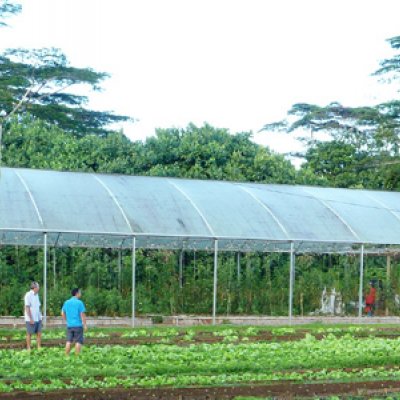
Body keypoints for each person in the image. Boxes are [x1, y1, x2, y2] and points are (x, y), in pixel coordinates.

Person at [61, 288, 87, 355]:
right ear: (77, 293)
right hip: (78, 325)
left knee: (68, 341)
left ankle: (66, 356)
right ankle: (76, 357)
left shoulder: (66, 302)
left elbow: (62, 313)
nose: (80, 294)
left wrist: (66, 320)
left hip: (69, 325)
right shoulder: (79, 302)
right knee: (78, 341)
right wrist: (84, 324)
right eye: (80, 293)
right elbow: (82, 314)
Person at [24, 281, 42, 351]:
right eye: (38, 287)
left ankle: (39, 347)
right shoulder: (28, 295)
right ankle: (28, 348)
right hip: (30, 319)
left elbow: (38, 306)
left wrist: (40, 316)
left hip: (38, 318)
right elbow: (27, 307)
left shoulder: (37, 295)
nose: (39, 288)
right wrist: (31, 319)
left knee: (39, 333)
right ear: (34, 287)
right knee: (29, 333)